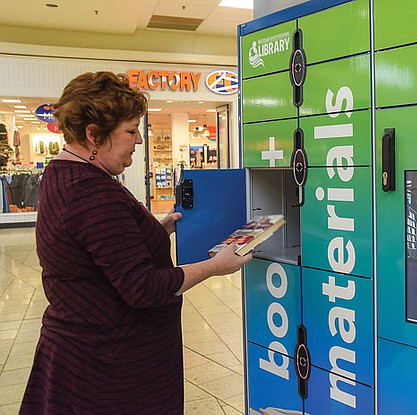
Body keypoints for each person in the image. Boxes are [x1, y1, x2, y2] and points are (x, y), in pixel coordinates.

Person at [19, 71, 251, 414]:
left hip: (82, 350)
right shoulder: (92, 192)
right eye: (130, 132)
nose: (139, 141)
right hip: (112, 366)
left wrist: (156, 229)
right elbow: (144, 287)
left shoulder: (61, 174)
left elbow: (96, 248)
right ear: (93, 135)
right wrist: (215, 266)